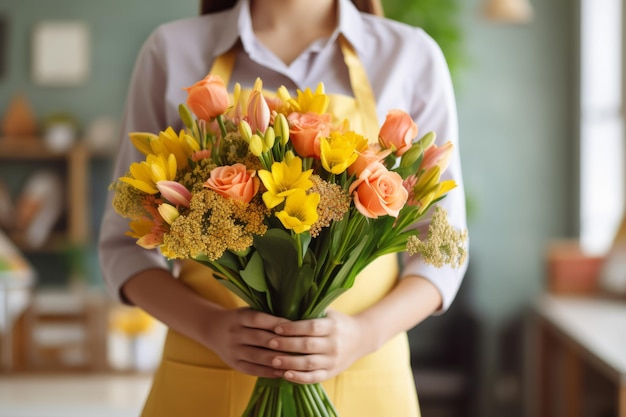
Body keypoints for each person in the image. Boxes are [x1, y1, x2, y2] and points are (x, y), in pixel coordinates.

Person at [98, 0, 469, 415]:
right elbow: (124, 247)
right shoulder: (172, 49)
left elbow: (443, 249)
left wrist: (364, 335)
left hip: (364, 375)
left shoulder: (410, 54)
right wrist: (210, 327)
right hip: (206, 373)